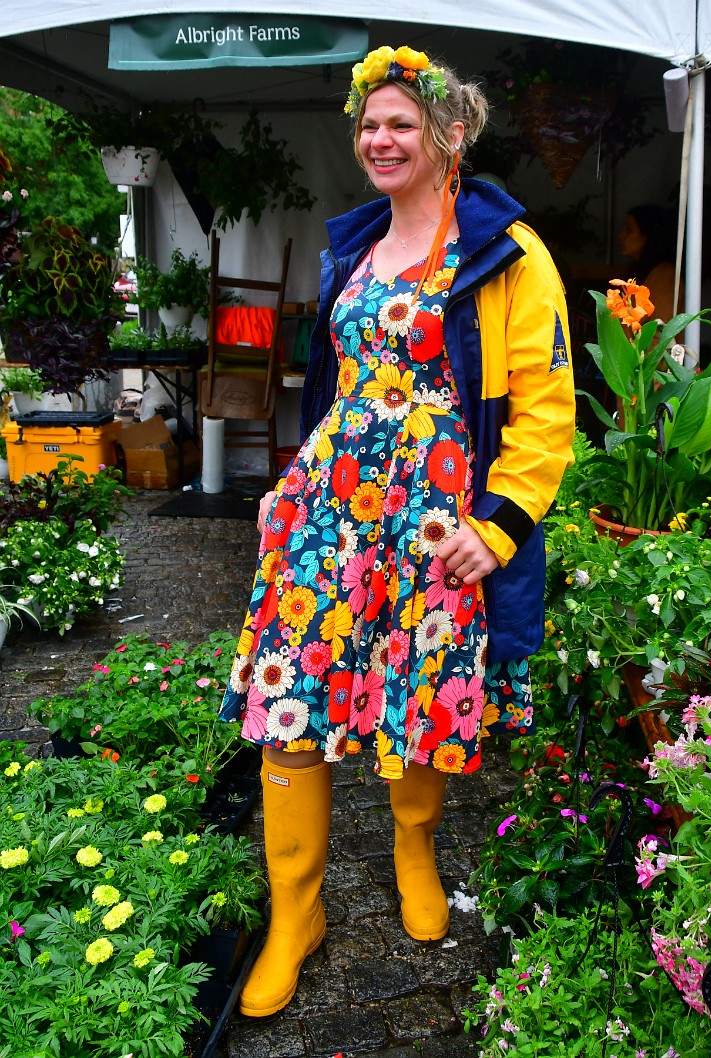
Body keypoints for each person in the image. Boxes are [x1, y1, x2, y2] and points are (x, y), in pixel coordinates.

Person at [218, 43, 576, 1018]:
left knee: (414, 705)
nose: (378, 138)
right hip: (330, 516)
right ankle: (299, 913)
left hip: (433, 529)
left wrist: (499, 526)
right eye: (368, 123)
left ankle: (415, 848)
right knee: (289, 703)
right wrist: (290, 476)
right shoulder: (356, 248)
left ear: (450, 134)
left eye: (400, 123)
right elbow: (344, 389)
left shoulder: (509, 253)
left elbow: (545, 409)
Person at [618, 204, 681, 328]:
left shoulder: (664, 276)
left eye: (629, 229)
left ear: (648, 235)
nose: (621, 235)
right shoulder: (645, 272)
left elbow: (660, 331)